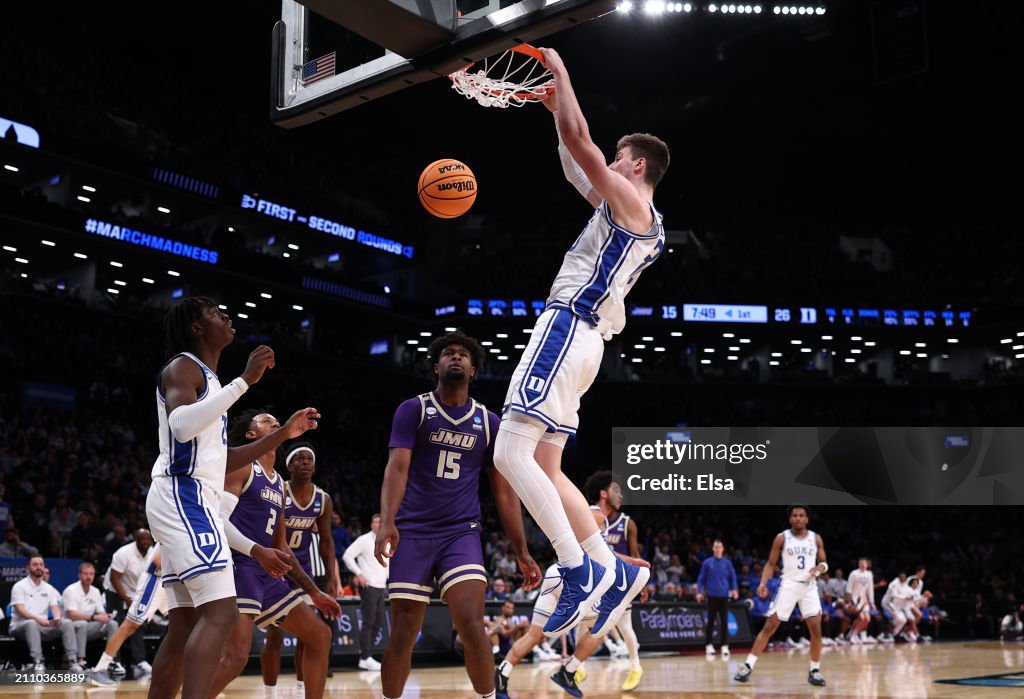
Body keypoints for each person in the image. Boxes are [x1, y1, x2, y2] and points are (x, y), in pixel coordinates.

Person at [490, 47, 666, 640]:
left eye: (620, 159)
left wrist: (562, 73)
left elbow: (582, 141)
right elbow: (576, 164)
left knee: (508, 455)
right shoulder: (636, 214)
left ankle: (576, 567)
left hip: (568, 326)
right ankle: (612, 569)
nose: (611, 164)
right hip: (585, 343)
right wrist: (552, 110)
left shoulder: (633, 201)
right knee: (545, 463)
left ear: (637, 166)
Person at [144, 296, 319, 699]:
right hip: (182, 494)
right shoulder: (184, 366)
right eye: (214, 312)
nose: (226, 315)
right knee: (221, 613)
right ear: (196, 327)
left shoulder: (210, 380)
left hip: (186, 496)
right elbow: (181, 425)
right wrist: (246, 382)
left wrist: (284, 434)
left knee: (185, 624)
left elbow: (223, 460)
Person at [375, 330, 541, 699]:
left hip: (460, 533)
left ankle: (487, 696)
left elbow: (503, 490)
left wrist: (522, 549)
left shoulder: (489, 421)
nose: (456, 358)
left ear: (474, 370)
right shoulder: (413, 409)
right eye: (448, 353)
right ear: (436, 365)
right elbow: (397, 469)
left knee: (471, 624)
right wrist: (387, 521)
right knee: (403, 632)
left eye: (464, 355)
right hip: (412, 531)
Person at [207, 410, 341, 699]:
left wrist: (315, 592)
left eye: (276, 420)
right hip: (239, 568)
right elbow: (218, 521)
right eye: (265, 420)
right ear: (251, 435)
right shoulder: (243, 467)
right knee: (236, 658)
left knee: (320, 636)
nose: (275, 422)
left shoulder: (279, 483)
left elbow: (283, 548)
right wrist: (257, 551)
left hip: (266, 575)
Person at [262, 444, 340, 695]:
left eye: (310, 459)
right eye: (300, 459)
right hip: (275, 568)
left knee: (307, 636)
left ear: (315, 467)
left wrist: (330, 578)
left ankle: (299, 688)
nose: (306, 462)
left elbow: (326, 542)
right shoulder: (277, 491)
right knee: (274, 636)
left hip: (302, 571)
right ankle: (270, 692)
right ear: (290, 466)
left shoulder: (323, 499)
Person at [734, 505, 828, 687]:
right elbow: (770, 563)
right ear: (790, 519)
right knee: (770, 626)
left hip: (809, 587)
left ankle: (814, 670)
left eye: (801, 515)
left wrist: (819, 568)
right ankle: (747, 666)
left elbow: (824, 563)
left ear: (807, 519)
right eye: (795, 515)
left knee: (816, 629)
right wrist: (762, 583)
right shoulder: (781, 538)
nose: (798, 518)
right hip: (789, 586)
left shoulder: (815, 538)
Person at [584, 470, 645, 691]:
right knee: (585, 620)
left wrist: (640, 580)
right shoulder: (593, 517)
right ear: (603, 493)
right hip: (597, 578)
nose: (621, 496)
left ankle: (635, 666)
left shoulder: (628, 523)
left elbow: (634, 555)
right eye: (616, 490)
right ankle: (576, 665)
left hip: (619, 579)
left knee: (624, 626)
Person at [88, 544, 167, 686]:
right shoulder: (176, 526)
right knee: (130, 625)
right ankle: (100, 669)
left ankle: (184, 671)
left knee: (186, 626)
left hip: (173, 583)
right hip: (155, 581)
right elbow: (158, 561)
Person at [9, 556, 78, 672]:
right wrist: (38, 619)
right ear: (28, 568)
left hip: (43, 626)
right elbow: (21, 610)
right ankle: (38, 662)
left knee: (67, 623)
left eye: (41, 565)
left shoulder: (49, 588)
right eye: (35, 565)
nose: (38, 567)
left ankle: (73, 661)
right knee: (31, 623)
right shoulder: (19, 586)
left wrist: (57, 618)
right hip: (20, 626)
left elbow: (55, 608)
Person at [342, 512, 389, 671]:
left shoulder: (386, 541)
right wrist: (359, 574)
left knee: (379, 623)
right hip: (368, 586)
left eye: (381, 522)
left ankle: (367, 655)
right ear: (371, 525)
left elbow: (387, 564)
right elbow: (347, 556)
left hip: (381, 586)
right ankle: (364, 657)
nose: (378, 524)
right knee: (369, 622)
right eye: (376, 522)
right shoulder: (363, 540)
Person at [104, 528, 154, 675]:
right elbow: (114, 578)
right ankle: (115, 661)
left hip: (136, 593)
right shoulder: (123, 553)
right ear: (135, 539)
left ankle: (139, 661)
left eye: (147, 539)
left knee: (137, 624)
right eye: (142, 539)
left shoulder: (153, 553)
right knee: (118, 624)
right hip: (115, 592)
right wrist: (126, 599)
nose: (145, 542)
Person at [62, 562, 118, 673]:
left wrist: (106, 616)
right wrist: (94, 617)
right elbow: (72, 615)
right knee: (82, 624)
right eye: (86, 574)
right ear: (79, 575)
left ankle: (110, 660)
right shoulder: (70, 590)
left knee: (113, 624)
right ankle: (80, 661)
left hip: (90, 626)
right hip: (72, 627)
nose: (89, 577)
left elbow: (101, 612)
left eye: (91, 574)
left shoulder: (95, 591)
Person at [696, 539, 739, 659]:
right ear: (713, 549)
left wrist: (734, 589)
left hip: (724, 596)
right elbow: (701, 579)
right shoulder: (707, 563)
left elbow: (733, 578)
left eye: (719, 547)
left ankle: (724, 645)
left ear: (723, 548)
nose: (717, 549)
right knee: (710, 621)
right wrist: (699, 592)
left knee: (724, 621)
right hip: (711, 596)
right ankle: (709, 645)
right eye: (715, 547)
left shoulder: (727, 563)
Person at [845, 557, 877, 643]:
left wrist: (872, 602)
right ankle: (851, 635)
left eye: (864, 563)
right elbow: (849, 588)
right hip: (855, 599)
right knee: (861, 618)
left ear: (867, 564)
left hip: (864, 600)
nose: (862, 565)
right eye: (861, 563)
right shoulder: (854, 573)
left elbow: (870, 589)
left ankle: (854, 634)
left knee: (867, 619)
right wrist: (849, 602)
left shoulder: (869, 574)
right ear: (858, 564)